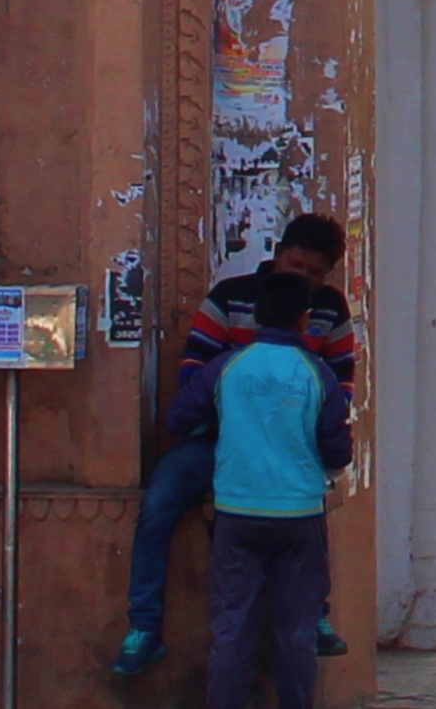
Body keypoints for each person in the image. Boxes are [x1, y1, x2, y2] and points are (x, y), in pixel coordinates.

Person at [111, 216, 357, 680]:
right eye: (295, 264)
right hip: (216, 442)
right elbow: (192, 373)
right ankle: (144, 628)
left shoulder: (330, 310)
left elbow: (340, 384)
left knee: (309, 500)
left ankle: (316, 612)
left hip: (288, 448)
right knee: (158, 506)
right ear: (278, 252)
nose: (301, 278)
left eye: (314, 273)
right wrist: (242, 418)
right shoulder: (230, 296)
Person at [165, 269, 352, 709]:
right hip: (300, 517)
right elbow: (338, 450)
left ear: (255, 319)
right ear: (303, 320)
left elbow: (178, 419)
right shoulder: (316, 373)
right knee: (297, 633)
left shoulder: (227, 367)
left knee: (232, 631)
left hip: (236, 512)